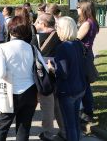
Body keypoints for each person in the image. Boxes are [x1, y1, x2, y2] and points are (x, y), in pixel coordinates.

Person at [0, 16, 39, 141]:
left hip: (9, 92)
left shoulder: (2, 48)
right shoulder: (32, 48)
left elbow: (1, 74)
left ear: (10, 29)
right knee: (23, 129)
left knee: (2, 127)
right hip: (30, 92)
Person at [47, 17, 87, 141]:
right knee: (75, 122)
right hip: (79, 88)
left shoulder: (63, 47)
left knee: (70, 126)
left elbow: (62, 73)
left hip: (68, 91)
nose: (56, 31)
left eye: (57, 28)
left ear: (63, 30)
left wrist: (51, 68)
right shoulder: (78, 44)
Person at [33, 13, 66, 141]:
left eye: (37, 22)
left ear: (44, 24)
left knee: (47, 105)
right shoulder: (61, 37)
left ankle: (47, 133)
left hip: (43, 77)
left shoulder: (36, 37)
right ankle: (64, 130)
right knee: (58, 104)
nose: (35, 25)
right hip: (58, 73)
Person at [77, 0, 99, 123]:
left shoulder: (87, 23)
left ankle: (87, 112)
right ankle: (87, 110)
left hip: (83, 55)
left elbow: (76, 39)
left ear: (84, 9)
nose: (77, 9)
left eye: (78, 7)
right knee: (85, 83)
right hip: (87, 53)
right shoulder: (92, 22)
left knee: (84, 84)